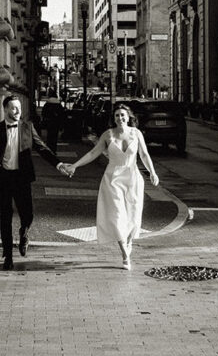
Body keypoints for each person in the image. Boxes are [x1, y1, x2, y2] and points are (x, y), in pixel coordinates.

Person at [0, 94, 69, 270]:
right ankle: (8, 256)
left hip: (21, 178)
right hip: (2, 178)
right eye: (13, 107)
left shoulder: (28, 128)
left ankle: (24, 233)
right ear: (5, 109)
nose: (17, 110)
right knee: (5, 216)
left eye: (19, 107)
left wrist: (59, 164)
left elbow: (42, 148)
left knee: (28, 214)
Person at [61, 102, 159, 270]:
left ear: (129, 117)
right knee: (117, 215)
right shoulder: (108, 135)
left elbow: (144, 154)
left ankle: (129, 242)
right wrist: (75, 165)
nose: (120, 118)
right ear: (113, 118)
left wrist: (152, 172)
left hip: (133, 178)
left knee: (133, 216)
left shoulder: (136, 134)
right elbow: (93, 153)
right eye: (117, 115)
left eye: (122, 115)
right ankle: (124, 254)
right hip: (113, 179)